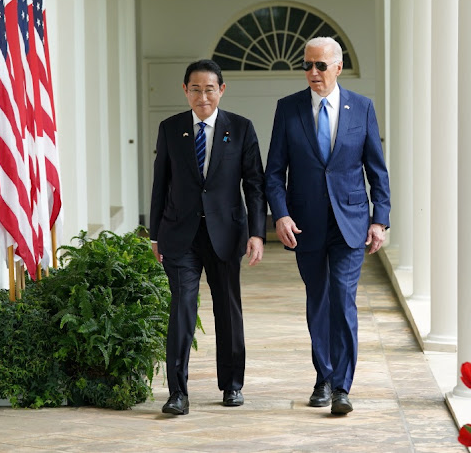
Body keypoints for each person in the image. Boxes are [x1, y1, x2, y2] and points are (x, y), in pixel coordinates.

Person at [264, 37, 391, 416]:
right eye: (307, 66)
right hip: (304, 225)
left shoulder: (362, 108)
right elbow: (274, 173)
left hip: (350, 222)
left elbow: (377, 170)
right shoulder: (288, 110)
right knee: (317, 299)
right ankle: (323, 374)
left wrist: (380, 219)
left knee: (342, 297)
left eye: (320, 66)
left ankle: (341, 387)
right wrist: (280, 214)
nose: (313, 73)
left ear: (338, 67)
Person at [149, 59, 267, 415]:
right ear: (185, 90)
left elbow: (255, 185)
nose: (203, 97)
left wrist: (258, 233)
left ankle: (232, 385)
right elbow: (160, 184)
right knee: (182, 310)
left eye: (210, 89)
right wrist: (155, 235)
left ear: (222, 90)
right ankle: (178, 393)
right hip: (179, 235)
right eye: (196, 89)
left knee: (228, 310)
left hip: (226, 234)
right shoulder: (170, 129)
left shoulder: (241, 129)